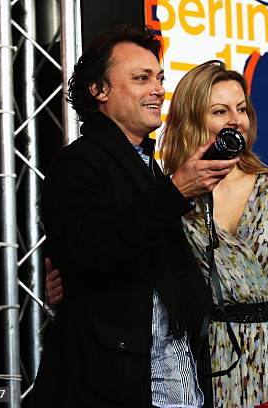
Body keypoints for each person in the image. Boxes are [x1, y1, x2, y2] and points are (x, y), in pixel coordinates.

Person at [47, 60, 268, 407]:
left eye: (241, 109)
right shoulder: (171, 193)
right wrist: (73, 287)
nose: (234, 120)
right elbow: (137, 263)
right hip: (210, 360)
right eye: (220, 110)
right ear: (193, 119)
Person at [31, 26, 239, 408]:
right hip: (115, 382)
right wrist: (176, 191)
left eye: (159, 78)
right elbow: (90, 250)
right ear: (100, 90)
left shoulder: (147, 167)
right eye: (141, 78)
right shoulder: (77, 163)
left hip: (174, 377)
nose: (157, 89)